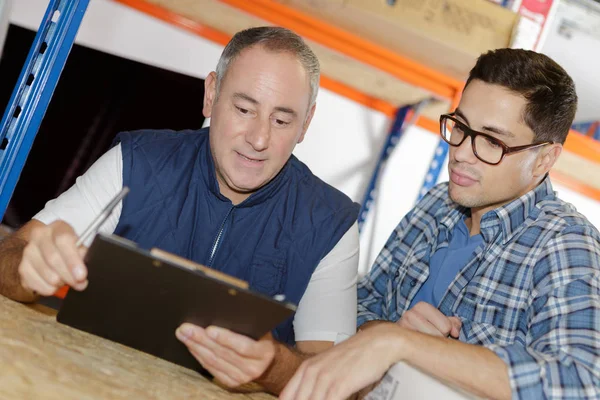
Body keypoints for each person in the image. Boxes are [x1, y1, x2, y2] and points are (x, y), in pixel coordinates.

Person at [0, 27, 360, 394]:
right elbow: (9, 256)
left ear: (306, 124)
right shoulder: (136, 161)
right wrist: (28, 269)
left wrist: (272, 366)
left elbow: (336, 381)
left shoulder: (331, 223)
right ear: (211, 94)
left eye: (281, 120)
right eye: (244, 109)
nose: (259, 138)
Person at [281, 49, 600, 400]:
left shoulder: (567, 245)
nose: (461, 153)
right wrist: (382, 332)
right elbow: (364, 301)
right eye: (460, 127)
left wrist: (410, 347)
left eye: (492, 141)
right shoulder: (437, 204)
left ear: (543, 159)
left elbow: (581, 383)